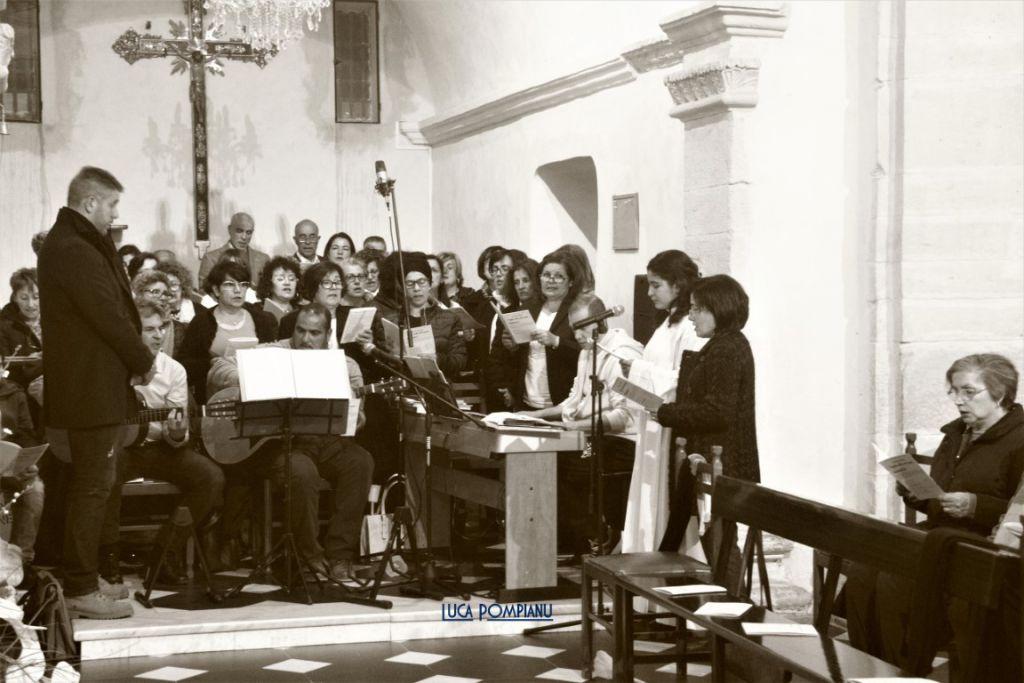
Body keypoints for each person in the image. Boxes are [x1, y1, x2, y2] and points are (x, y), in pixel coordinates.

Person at [841, 353, 1024, 681]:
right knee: (862, 573)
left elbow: (1016, 514)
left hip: (982, 544)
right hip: (939, 534)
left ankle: (904, 672)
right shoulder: (957, 434)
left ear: (1000, 393)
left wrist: (975, 505)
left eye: (969, 392)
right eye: (954, 391)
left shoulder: (1019, 439)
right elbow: (941, 497)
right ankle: (872, 669)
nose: (958, 400)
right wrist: (915, 492)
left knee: (893, 582)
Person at [37, 166, 156, 619]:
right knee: (91, 488)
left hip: (93, 385)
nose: (114, 215)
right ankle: (80, 586)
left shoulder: (73, 242)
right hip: (89, 388)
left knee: (96, 486)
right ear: (90, 203)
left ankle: (88, 577)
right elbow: (108, 315)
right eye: (111, 205)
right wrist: (143, 360)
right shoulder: (73, 248)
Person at [517, 299, 643, 553]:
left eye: (582, 327)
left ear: (601, 322)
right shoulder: (587, 351)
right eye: (573, 329)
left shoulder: (622, 353)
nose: (577, 336)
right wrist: (535, 416)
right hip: (591, 434)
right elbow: (574, 401)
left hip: (620, 440)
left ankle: (591, 539)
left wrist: (575, 427)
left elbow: (625, 416)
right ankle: (572, 542)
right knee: (546, 459)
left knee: (569, 466)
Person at [120, 301, 225, 584]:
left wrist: (176, 433)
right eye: (149, 329)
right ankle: (105, 560)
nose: (158, 335)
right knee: (98, 476)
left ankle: (164, 554)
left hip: (158, 447)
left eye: (162, 328)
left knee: (211, 477)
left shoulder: (174, 370)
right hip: (119, 448)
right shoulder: (114, 364)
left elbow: (176, 435)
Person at [654, 275, 759, 554]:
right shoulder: (725, 344)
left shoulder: (726, 349)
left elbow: (717, 412)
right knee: (716, 546)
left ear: (719, 308)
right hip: (712, 458)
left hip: (720, 461)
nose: (691, 316)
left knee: (720, 548)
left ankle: (723, 586)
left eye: (697, 309)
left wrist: (666, 412)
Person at [621, 250, 704, 557]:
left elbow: (684, 379)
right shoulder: (667, 322)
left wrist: (638, 369)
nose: (649, 292)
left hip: (669, 428)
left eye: (656, 285)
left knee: (664, 499)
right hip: (652, 423)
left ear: (678, 285)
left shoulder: (689, 328)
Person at [178, 261, 277, 404]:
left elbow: (274, 357)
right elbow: (185, 365)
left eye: (243, 284)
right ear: (216, 290)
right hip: (216, 396)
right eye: (230, 284)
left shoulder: (263, 319)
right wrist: (213, 363)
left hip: (259, 392)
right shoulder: (201, 322)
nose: (238, 290)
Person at [507, 250, 581, 411]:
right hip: (526, 399)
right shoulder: (528, 308)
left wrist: (557, 341)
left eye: (559, 276)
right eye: (546, 275)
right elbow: (519, 358)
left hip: (562, 401)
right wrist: (512, 346)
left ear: (570, 281)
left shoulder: (578, 310)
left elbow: (588, 352)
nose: (551, 281)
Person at [373, 251, 467, 377]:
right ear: (403, 287)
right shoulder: (391, 320)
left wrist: (438, 359)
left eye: (421, 282)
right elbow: (382, 364)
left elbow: (460, 360)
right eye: (410, 283)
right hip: (403, 384)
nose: (416, 288)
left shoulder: (450, 318)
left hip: (437, 385)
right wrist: (371, 348)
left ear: (429, 283)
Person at [0, 268, 43, 397]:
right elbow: (6, 369)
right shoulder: (4, 326)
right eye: (24, 298)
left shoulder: (56, 320)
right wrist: (29, 365)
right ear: (15, 298)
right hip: (29, 386)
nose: (31, 304)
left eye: (36, 297)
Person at [198, 212, 270, 289]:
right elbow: (204, 292)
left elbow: (269, 290)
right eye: (239, 231)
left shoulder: (263, 259)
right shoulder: (211, 259)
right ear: (229, 230)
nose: (244, 237)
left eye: (248, 232)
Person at [131, 270, 185, 358]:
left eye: (165, 293)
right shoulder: (130, 321)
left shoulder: (179, 330)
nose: (162, 297)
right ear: (140, 293)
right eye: (155, 292)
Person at [256, 256, 302, 323]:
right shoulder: (256, 311)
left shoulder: (303, 312)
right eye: (280, 279)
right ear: (269, 283)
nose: (287, 283)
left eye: (291, 279)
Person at [155, 260, 200, 325]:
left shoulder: (199, 312)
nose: (168, 290)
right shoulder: (151, 311)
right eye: (164, 285)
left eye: (173, 284)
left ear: (183, 287)